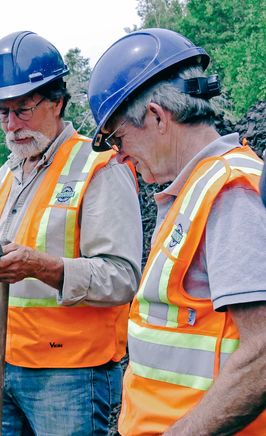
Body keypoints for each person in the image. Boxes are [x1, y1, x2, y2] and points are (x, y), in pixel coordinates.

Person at [0, 31, 143, 435]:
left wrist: (41, 266)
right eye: (2, 113)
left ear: (57, 102)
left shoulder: (100, 168)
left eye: (23, 109)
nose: (12, 125)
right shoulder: (2, 180)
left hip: (68, 376)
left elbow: (122, 279)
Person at [88, 28, 266, 435]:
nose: (120, 156)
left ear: (156, 116)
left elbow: (263, 351)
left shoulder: (230, 193)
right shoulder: (194, 191)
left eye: (118, 138)